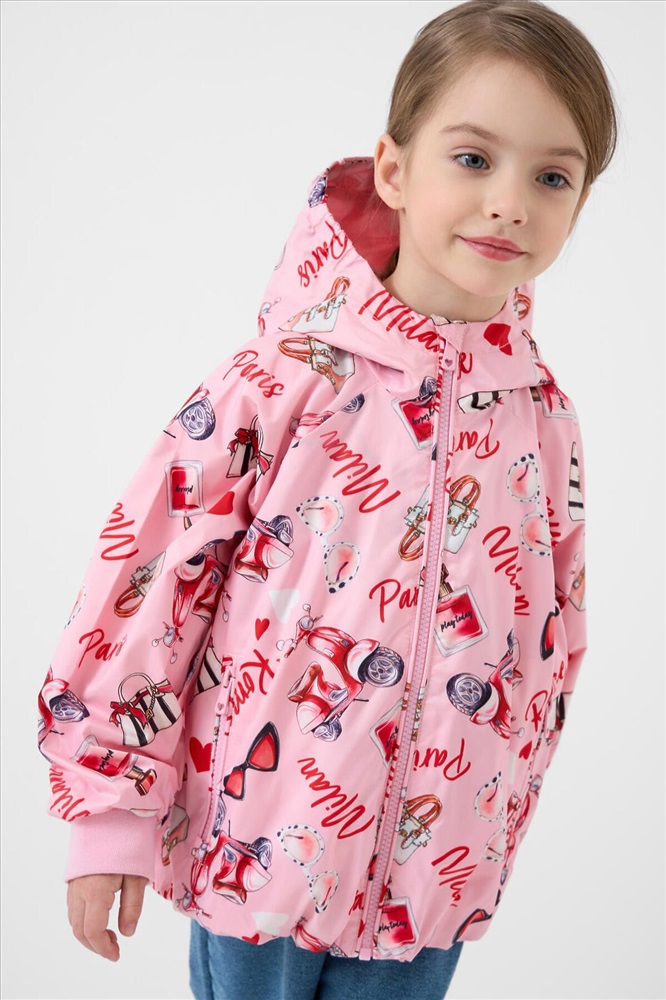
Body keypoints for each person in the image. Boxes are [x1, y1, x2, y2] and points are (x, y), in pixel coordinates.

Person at [37, 1, 618, 998]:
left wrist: (490, 822)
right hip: (260, 856)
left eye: (551, 177)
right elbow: (148, 581)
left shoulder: (543, 417)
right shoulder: (283, 379)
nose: (510, 202)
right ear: (393, 169)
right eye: (472, 159)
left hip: (429, 889)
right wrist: (110, 809)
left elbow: (552, 639)